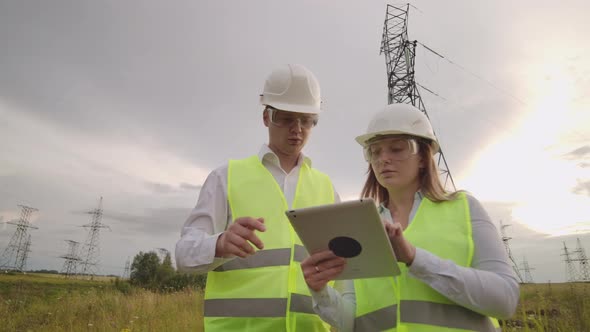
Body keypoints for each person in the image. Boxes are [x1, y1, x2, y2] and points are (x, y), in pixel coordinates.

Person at [301, 103, 520, 332]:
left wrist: (415, 259)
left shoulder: (464, 208)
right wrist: (321, 292)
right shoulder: (361, 225)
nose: (383, 158)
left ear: (424, 157)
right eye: (375, 151)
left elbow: (505, 299)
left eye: (397, 149)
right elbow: (352, 322)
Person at [175, 64, 339, 331]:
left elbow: (345, 276)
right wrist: (219, 244)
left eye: (306, 119)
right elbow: (183, 254)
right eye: (286, 117)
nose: (297, 129)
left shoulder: (326, 188)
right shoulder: (226, 177)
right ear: (266, 116)